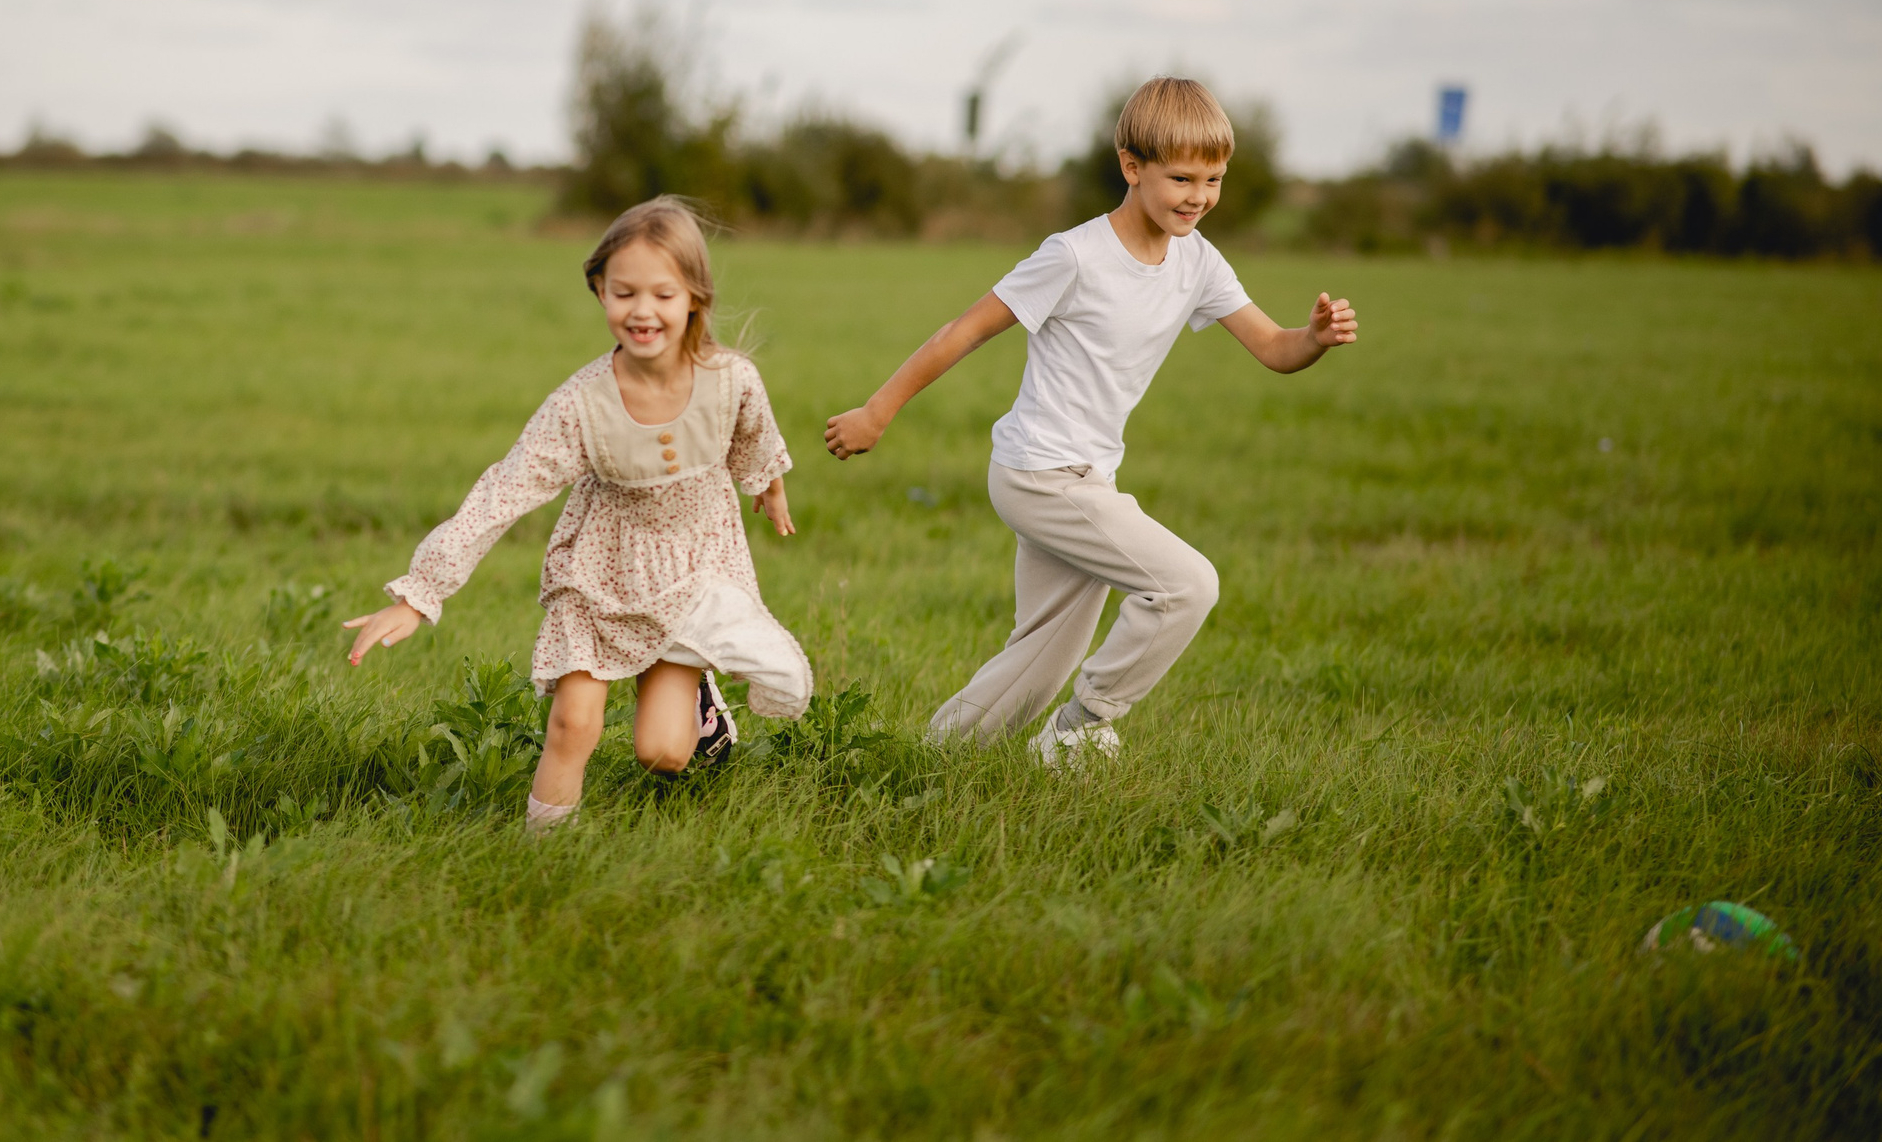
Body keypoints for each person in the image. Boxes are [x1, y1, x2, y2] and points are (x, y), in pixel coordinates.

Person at [823, 77, 1357, 764]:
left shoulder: (1197, 261)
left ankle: (929, 760)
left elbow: (1275, 349)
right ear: (1132, 167)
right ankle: (1082, 726)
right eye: (1182, 177)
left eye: (1215, 177)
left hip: (1088, 477)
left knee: (1041, 658)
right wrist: (876, 410)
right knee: (1186, 584)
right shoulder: (1073, 255)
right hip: (1040, 473)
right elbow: (964, 330)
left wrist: (1312, 337)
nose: (1199, 195)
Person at [342, 196, 812, 834]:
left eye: (663, 295)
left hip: (693, 563)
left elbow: (753, 435)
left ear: (695, 298)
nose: (642, 311)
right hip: (600, 566)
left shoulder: (732, 379)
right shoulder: (580, 406)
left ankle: (701, 708)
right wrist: (421, 592)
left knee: (662, 752)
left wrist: (769, 485)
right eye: (624, 293)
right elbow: (502, 491)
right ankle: (546, 857)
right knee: (573, 723)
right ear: (599, 290)